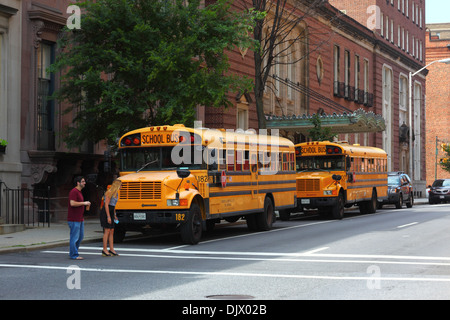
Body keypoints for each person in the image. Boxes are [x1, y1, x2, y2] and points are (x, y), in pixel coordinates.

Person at [68, 176, 90, 260]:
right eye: (83, 181)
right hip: (74, 219)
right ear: (78, 182)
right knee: (74, 237)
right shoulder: (74, 191)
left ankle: (74, 252)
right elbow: (72, 203)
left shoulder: (79, 192)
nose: (84, 183)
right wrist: (84, 203)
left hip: (80, 218)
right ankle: (74, 254)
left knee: (80, 237)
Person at [100, 179, 122, 256]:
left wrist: (114, 215)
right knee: (107, 230)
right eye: (121, 185)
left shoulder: (116, 194)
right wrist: (108, 216)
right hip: (106, 212)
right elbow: (106, 205)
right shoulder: (109, 192)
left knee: (112, 230)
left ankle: (111, 249)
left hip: (111, 211)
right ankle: (104, 249)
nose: (121, 187)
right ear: (117, 185)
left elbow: (114, 206)